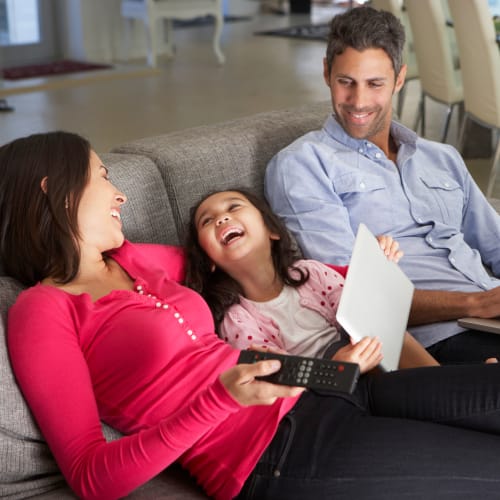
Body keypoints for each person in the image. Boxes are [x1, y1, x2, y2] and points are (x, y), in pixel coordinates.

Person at [4, 133, 500, 500]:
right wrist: (217, 400)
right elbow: (91, 476)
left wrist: (363, 269)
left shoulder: (133, 259)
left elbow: (253, 260)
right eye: (103, 177)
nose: (120, 196)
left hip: (327, 385)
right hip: (274, 455)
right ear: (58, 191)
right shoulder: (42, 310)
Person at [264, 6, 500, 365]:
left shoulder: (441, 157)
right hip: (436, 341)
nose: (358, 102)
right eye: (346, 82)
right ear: (327, 73)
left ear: (399, 78)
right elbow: (354, 296)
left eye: (375, 84)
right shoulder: (303, 165)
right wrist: (477, 303)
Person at [185, 188, 438, 372]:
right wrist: (338, 368)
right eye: (207, 221)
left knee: (385, 333)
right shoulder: (237, 320)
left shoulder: (311, 273)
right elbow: (278, 376)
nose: (222, 218)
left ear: (272, 231)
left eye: (234, 207)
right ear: (210, 260)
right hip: (327, 387)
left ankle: (443, 380)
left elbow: (360, 312)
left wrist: (378, 267)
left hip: (363, 350)